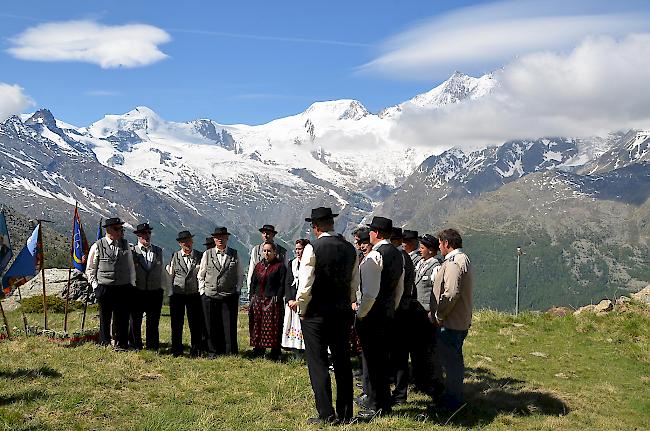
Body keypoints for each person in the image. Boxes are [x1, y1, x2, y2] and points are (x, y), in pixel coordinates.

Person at [296, 207, 359, 425]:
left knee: (318, 362)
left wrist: (302, 309)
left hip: (316, 313)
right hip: (341, 312)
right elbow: (354, 283)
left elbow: (305, 285)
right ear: (331, 224)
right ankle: (346, 412)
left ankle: (326, 413)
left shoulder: (312, 248)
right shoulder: (351, 249)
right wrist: (348, 301)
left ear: (315, 227)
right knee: (342, 361)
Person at [355, 216, 404, 421]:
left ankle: (374, 405)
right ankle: (385, 403)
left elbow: (369, 293)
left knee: (373, 362)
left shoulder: (375, 256)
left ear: (376, 233)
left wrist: (360, 314)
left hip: (372, 316)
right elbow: (400, 288)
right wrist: (392, 308)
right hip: (388, 313)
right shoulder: (397, 254)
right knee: (383, 361)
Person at [430, 228, 474, 411]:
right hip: (460, 320)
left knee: (451, 362)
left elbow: (451, 293)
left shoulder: (454, 262)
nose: (439, 247)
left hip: (451, 322)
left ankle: (452, 401)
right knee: (454, 360)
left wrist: (440, 314)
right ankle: (453, 397)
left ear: (447, 243)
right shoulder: (463, 259)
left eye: (440, 243)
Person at [86, 217, 135, 350]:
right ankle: (105, 342)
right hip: (104, 286)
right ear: (108, 230)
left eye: (121, 229)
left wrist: (132, 284)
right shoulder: (97, 245)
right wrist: (96, 287)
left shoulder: (126, 245)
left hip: (123, 287)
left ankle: (122, 343)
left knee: (122, 317)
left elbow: (130, 267)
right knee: (105, 316)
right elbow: (90, 269)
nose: (119, 231)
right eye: (116, 228)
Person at [198, 226, 243, 357]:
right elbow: (201, 274)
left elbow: (240, 275)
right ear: (214, 239)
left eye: (223, 237)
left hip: (229, 295)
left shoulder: (235, 253)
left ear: (227, 238)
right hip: (210, 294)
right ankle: (213, 351)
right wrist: (202, 292)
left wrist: (238, 290)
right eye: (218, 237)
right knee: (211, 324)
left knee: (229, 324)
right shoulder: (207, 254)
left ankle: (230, 352)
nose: (220, 239)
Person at [410, 234, 442, 397]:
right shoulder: (421, 264)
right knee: (417, 349)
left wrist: (433, 311)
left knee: (427, 349)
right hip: (417, 313)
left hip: (427, 314)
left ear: (431, 250)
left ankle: (430, 382)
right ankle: (418, 379)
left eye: (422, 248)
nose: (420, 251)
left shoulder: (435, 266)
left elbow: (437, 291)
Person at [388, 227, 417, 405]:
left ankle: (398, 393)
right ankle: (399, 392)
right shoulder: (405, 257)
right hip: (403, 311)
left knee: (397, 354)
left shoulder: (398, 257)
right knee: (399, 355)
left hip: (397, 312)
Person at [167, 231, 204, 357]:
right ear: (180, 243)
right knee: (176, 323)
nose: (187, 244)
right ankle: (176, 349)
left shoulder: (200, 255)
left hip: (194, 294)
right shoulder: (174, 256)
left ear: (192, 241)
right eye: (184, 242)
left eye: (189, 240)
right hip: (178, 294)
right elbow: (171, 275)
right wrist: (170, 293)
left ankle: (196, 350)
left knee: (195, 323)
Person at [129, 222, 165, 350]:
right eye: (144, 233)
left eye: (149, 233)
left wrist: (162, 288)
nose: (147, 235)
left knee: (153, 321)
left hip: (154, 291)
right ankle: (135, 345)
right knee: (135, 320)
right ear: (138, 235)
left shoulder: (158, 251)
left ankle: (152, 346)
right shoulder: (132, 251)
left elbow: (161, 271)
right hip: (137, 291)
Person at [249, 241, 286, 360]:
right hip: (258, 299)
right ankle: (258, 349)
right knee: (257, 325)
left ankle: (275, 352)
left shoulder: (279, 266)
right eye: (264, 251)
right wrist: (252, 297)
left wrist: (278, 297)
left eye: (269, 251)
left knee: (273, 327)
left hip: (272, 300)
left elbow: (282, 284)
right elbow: (253, 282)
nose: (266, 253)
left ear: (274, 252)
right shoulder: (258, 266)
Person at [281, 238, 310, 354]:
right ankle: (294, 348)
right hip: (292, 300)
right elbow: (288, 282)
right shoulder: (292, 263)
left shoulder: (310, 263)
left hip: (304, 301)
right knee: (293, 324)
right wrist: (289, 299)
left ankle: (306, 350)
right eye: (296, 249)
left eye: (300, 249)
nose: (298, 251)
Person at [246, 224, 288, 293]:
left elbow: (285, 274)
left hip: (275, 291)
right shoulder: (256, 250)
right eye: (263, 233)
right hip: (259, 291)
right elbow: (251, 270)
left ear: (273, 235)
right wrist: (250, 290)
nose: (265, 235)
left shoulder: (282, 252)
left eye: (268, 233)